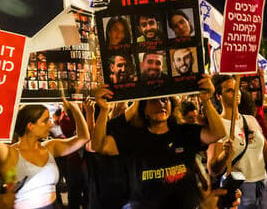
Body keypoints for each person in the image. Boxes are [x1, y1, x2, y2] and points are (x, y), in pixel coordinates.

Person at [91, 74, 226, 209]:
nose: (161, 103)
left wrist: (207, 100)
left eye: (164, 99)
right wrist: (104, 110)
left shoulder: (184, 132)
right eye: (154, 100)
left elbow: (218, 133)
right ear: (143, 109)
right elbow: (99, 145)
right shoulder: (133, 137)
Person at [207, 74, 267, 209]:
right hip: (240, 188)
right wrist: (224, 155)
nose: (236, 93)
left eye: (237, 88)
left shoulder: (250, 120)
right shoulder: (218, 126)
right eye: (229, 90)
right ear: (218, 96)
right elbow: (213, 169)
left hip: (263, 184)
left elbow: (266, 155)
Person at [0, 98, 89, 208]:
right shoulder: (9, 153)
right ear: (30, 126)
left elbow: (83, 138)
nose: (50, 125)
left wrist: (74, 106)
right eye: (45, 121)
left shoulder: (50, 147)